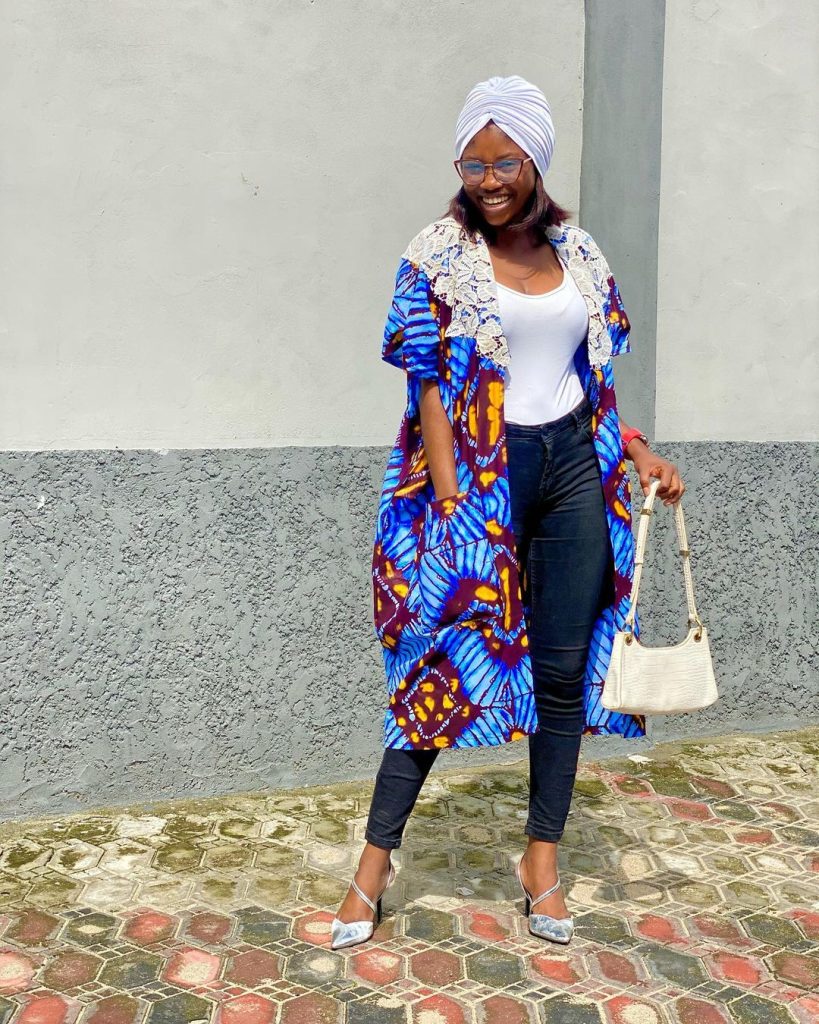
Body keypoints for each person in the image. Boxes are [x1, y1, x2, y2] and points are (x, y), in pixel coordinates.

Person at [331, 75, 685, 950]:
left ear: (535, 161)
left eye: (504, 162)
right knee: (438, 662)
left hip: (575, 469)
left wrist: (635, 448)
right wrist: (453, 499)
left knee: (561, 674)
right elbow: (426, 389)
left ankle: (541, 862)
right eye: (473, 163)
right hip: (479, 477)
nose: (488, 180)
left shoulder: (579, 252)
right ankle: (373, 867)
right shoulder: (436, 253)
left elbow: (589, 379)